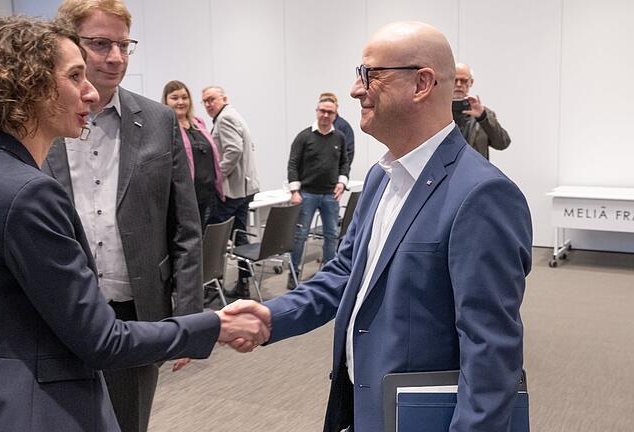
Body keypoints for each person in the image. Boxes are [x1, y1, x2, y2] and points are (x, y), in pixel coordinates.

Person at [0, 16, 268, 432]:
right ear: (30, 86)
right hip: (28, 411)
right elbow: (102, 341)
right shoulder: (27, 192)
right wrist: (215, 324)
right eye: (76, 75)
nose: (90, 90)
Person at [224, 21, 533, 432]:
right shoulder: (380, 177)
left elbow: (491, 355)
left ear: (422, 83)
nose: (356, 89)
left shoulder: (482, 194)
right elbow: (345, 274)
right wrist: (271, 315)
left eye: (370, 74)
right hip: (365, 410)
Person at [41, 2, 204, 430]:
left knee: (129, 422)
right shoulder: (40, 121)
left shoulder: (158, 120)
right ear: (69, 46)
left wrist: (187, 319)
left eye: (123, 45)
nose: (115, 57)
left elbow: (186, 228)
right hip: (55, 307)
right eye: (99, 44)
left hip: (136, 310)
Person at [202, 85, 260, 298]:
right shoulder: (233, 115)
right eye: (205, 101)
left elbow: (233, 150)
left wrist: (216, 177)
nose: (209, 104)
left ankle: (211, 287)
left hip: (232, 191)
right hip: (244, 189)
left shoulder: (225, 118)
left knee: (214, 238)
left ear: (223, 98)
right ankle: (243, 285)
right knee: (240, 236)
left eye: (212, 99)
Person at [287, 95, 350, 289]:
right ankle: (293, 272)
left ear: (335, 115)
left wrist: (342, 182)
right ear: (317, 111)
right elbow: (293, 163)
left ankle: (330, 273)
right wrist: (294, 190)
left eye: (329, 112)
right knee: (300, 235)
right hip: (307, 194)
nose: (325, 115)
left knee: (332, 235)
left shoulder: (339, 136)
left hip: (331, 195)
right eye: (322, 111)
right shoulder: (304, 136)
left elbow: (344, 162)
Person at [161, 80, 224, 230]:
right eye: (174, 98)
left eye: (184, 97)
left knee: (209, 239)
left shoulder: (198, 123)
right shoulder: (165, 127)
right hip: (186, 198)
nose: (180, 102)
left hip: (208, 194)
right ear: (166, 101)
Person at [453, 62, 511, 159]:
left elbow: (502, 143)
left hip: (474, 172)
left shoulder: (483, 114)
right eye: (455, 80)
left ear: (471, 82)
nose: (459, 84)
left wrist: (482, 117)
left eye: (463, 81)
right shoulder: (438, 113)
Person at [319, 92, 355, 169]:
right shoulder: (318, 128)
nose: (325, 113)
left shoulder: (343, 126)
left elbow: (349, 152)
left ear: (335, 107)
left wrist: (342, 173)